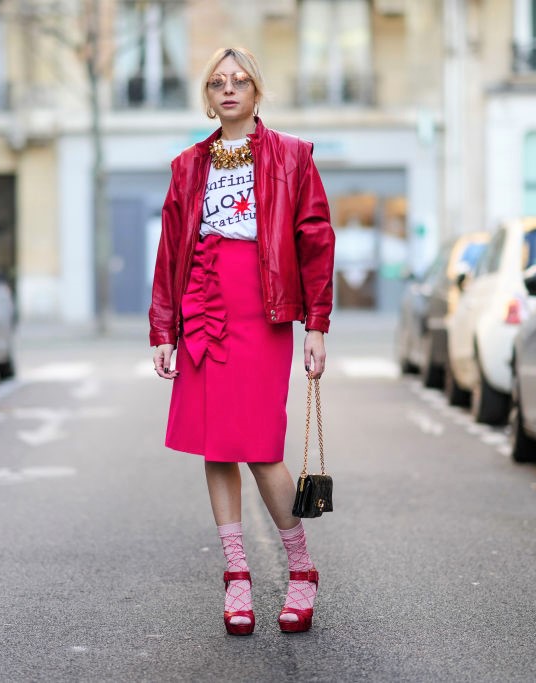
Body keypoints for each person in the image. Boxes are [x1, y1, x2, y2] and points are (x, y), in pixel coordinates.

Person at [149, 46, 335, 636]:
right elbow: (171, 248)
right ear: (207, 97)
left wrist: (318, 326)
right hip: (202, 302)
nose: (228, 90)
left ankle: (301, 569)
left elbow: (315, 239)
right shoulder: (186, 166)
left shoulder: (292, 156)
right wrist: (163, 328)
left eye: (240, 81)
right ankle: (237, 579)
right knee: (216, 445)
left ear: (257, 91)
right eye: (217, 83)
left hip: (264, 309)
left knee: (260, 447)